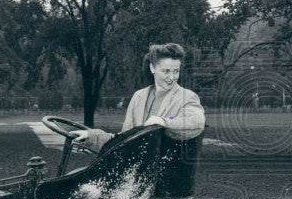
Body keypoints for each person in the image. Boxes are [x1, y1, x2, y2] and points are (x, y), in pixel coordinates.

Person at [72, 43, 205, 151]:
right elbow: (124, 139)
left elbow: (197, 121)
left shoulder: (187, 97)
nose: (172, 77)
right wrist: (90, 136)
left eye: (176, 71)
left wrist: (164, 121)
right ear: (152, 68)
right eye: (166, 71)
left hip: (166, 176)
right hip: (134, 172)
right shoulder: (139, 96)